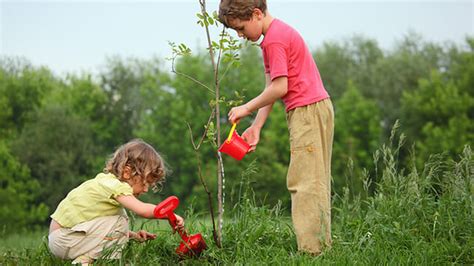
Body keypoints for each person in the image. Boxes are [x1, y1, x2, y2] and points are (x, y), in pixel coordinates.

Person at [218, 0, 334, 255]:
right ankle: (320, 247)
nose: (240, 35)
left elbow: (281, 88)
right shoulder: (271, 38)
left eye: (240, 28)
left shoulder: (274, 40)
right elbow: (272, 89)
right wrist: (257, 125)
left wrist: (245, 108)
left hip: (307, 111)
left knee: (304, 182)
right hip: (312, 108)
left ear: (257, 14)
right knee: (314, 180)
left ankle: (313, 251)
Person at [48, 139, 184, 265]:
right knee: (121, 220)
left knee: (119, 219)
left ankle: (83, 262)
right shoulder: (116, 186)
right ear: (127, 173)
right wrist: (169, 215)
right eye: (145, 182)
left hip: (63, 239)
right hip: (65, 238)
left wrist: (132, 235)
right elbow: (142, 210)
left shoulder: (106, 182)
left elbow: (101, 227)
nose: (146, 189)